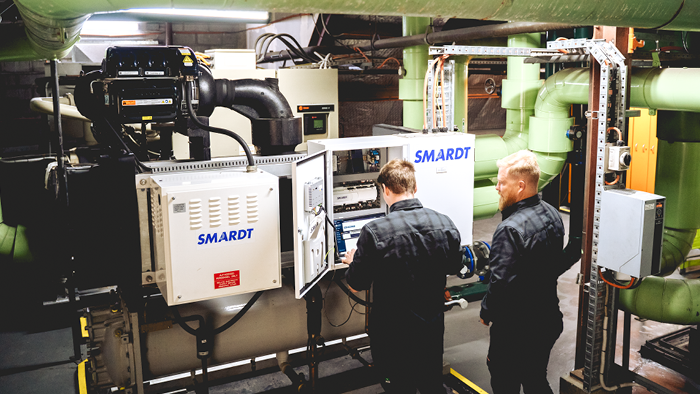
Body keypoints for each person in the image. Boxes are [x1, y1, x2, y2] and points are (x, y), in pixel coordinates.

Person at [342, 159, 463, 394]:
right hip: (431, 326)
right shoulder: (444, 223)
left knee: (398, 387)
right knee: (431, 384)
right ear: (414, 188)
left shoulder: (374, 232)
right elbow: (455, 265)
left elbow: (356, 284)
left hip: (392, 333)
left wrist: (353, 261)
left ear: (385, 190)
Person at [479, 150, 567, 394]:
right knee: (535, 379)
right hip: (547, 319)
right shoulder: (552, 213)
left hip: (515, 331)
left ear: (520, 186)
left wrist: (487, 310)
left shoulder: (509, 229)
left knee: (504, 383)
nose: (497, 187)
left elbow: (501, 283)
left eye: (501, 182)